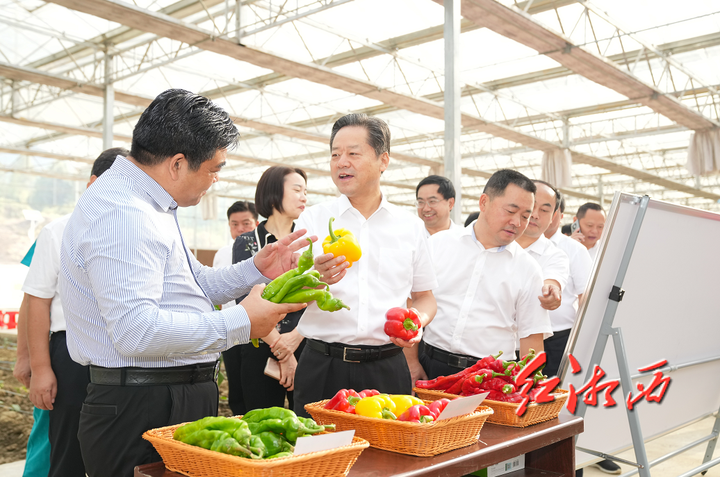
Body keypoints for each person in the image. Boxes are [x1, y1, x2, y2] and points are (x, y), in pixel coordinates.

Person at [58, 89, 310, 477]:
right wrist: (241, 322)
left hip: (159, 394)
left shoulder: (149, 204)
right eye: (213, 168)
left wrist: (256, 269)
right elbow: (135, 332)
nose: (214, 180)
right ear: (177, 163)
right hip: (141, 404)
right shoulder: (124, 214)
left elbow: (193, 285)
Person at [293, 113, 438, 416]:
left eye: (353, 153)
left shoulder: (410, 227)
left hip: (387, 367)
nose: (341, 162)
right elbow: (290, 293)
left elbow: (425, 298)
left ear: (383, 160)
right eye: (335, 154)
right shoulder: (313, 220)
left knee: (389, 459)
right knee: (319, 458)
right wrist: (314, 278)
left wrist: (417, 320)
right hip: (322, 365)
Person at [23, 148, 125, 477]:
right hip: (68, 352)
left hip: (119, 352)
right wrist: (39, 367)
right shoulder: (58, 230)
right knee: (67, 448)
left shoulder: (130, 232)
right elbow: (37, 299)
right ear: (92, 184)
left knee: (114, 448)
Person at [418, 169, 552, 380]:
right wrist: (411, 363)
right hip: (431, 365)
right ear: (484, 202)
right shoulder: (439, 245)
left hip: (490, 377)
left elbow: (532, 339)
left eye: (525, 216)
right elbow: (413, 301)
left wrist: (529, 389)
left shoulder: (528, 268)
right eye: (510, 211)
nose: (517, 222)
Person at [225, 166, 308, 415]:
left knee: (307, 423)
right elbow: (246, 297)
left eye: (306, 191)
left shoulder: (308, 240)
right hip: (261, 344)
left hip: (304, 344)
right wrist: (282, 351)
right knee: (260, 420)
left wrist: (293, 342)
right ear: (273, 192)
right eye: (297, 190)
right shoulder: (248, 242)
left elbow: (318, 297)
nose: (304, 197)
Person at [543, 191, 592, 378]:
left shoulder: (574, 249)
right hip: (521, 337)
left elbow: (585, 297)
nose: (538, 215)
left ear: (560, 215)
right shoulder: (517, 245)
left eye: (547, 209)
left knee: (555, 393)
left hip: (559, 337)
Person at [14, 253, 50, 477]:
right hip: (57, 354)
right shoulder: (57, 230)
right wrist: (24, 357)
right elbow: (32, 297)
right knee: (48, 439)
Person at [515, 180, 569, 312]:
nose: (535, 215)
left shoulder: (555, 256)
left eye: (544, 210)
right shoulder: (494, 241)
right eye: (531, 205)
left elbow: (552, 281)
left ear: (553, 216)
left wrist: (551, 291)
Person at [213, 201, 259, 309]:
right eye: (234, 224)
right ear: (229, 226)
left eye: (246, 223)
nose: (240, 229)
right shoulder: (221, 254)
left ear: (257, 225)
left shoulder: (264, 252)